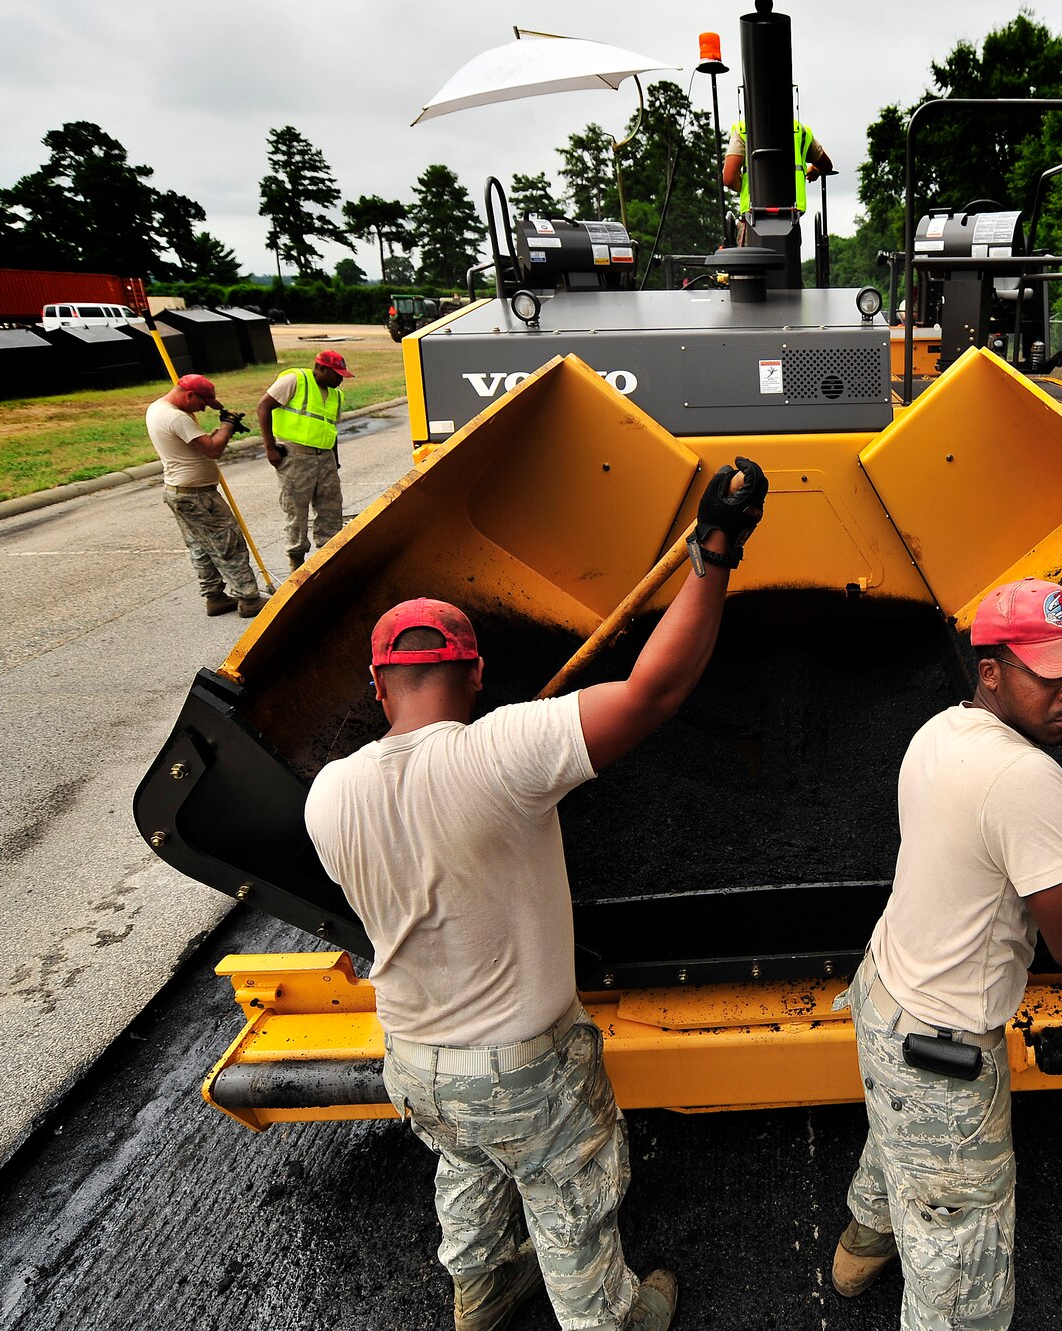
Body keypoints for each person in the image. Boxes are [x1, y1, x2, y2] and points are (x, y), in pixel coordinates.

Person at [304, 460, 768, 1331]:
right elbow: (655, 689)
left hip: (413, 1058)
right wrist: (714, 548)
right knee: (573, 1206)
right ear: (476, 674)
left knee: (468, 1167)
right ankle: (610, 1320)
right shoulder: (503, 752)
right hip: (522, 1065)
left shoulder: (326, 793)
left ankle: (478, 1293)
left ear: (377, 687)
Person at [831, 577, 1062, 1331]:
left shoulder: (940, 729)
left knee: (895, 1132)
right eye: (1049, 672)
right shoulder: (1025, 776)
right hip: (944, 1042)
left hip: (882, 991)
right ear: (993, 669)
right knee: (959, 1262)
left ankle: (864, 1241)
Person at [145, 372, 263, 617]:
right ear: (189, 395)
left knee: (200, 545)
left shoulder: (157, 408)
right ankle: (249, 598)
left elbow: (194, 446)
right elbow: (213, 450)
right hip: (197, 495)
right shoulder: (177, 417)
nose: (203, 409)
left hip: (179, 491)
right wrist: (227, 426)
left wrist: (218, 425)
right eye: (202, 403)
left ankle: (214, 596)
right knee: (228, 542)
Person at [259, 349, 352, 571]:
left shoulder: (336, 395)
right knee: (296, 510)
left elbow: (331, 429)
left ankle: (329, 560)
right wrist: (270, 447)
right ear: (320, 369)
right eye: (337, 374)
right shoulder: (295, 380)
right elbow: (263, 407)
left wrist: (335, 461)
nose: (340, 380)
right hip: (295, 455)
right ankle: (296, 562)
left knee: (331, 509)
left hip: (325, 457)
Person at [721, 117, 833, 242]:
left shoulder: (743, 129)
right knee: (789, 260)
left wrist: (745, 189)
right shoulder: (800, 131)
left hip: (752, 220)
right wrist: (815, 170)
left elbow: (729, 178)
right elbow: (826, 165)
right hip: (791, 220)